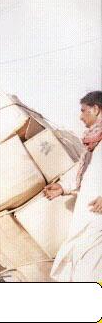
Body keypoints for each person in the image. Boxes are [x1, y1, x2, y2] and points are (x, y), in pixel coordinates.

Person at [44, 91, 102, 282]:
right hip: (88, 211)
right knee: (79, 255)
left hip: (98, 213)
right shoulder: (93, 142)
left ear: (96, 109)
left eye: (84, 110)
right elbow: (84, 171)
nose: (80, 116)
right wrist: (62, 187)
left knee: (88, 259)